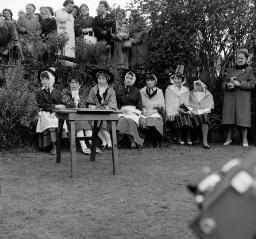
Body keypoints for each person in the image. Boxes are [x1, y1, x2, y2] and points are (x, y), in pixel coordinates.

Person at [222, 48, 256, 147]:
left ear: (246, 59)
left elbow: (252, 84)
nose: (239, 60)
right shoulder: (231, 69)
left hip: (242, 98)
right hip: (230, 97)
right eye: (237, 58)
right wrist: (227, 84)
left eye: (241, 58)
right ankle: (228, 138)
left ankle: (245, 139)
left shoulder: (250, 70)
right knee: (229, 119)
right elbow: (224, 82)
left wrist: (239, 83)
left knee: (244, 119)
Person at [35, 68, 66, 155]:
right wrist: (54, 107)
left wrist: (55, 112)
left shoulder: (57, 92)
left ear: (50, 80)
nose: (44, 81)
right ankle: (53, 146)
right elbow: (42, 105)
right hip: (45, 112)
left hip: (56, 113)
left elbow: (62, 105)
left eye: (46, 79)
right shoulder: (39, 92)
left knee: (58, 121)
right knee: (49, 121)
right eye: (42, 79)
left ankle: (58, 144)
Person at [61, 77, 94, 155]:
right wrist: (74, 97)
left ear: (79, 85)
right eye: (72, 83)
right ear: (69, 84)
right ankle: (84, 146)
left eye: (76, 83)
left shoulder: (82, 94)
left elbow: (83, 106)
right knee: (79, 122)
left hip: (80, 116)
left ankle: (92, 145)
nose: (74, 84)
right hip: (69, 116)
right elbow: (68, 104)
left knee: (85, 123)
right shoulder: (64, 92)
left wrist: (78, 97)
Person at [87, 69, 117, 150]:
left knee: (101, 121)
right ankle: (104, 141)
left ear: (107, 80)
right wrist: (93, 107)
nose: (101, 80)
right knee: (93, 122)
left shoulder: (111, 91)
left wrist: (105, 108)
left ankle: (109, 142)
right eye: (99, 78)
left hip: (107, 113)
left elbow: (112, 104)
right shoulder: (93, 90)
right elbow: (90, 102)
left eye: (103, 79)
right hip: (95, 111)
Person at [165, 65, 193, 145]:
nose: (177, 80)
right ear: (173, 79)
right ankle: (179, 138)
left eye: (179, 78)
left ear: (182, 80)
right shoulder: (169, 89)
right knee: (179, 116)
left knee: (188, 116)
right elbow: (168, 102)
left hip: (184, 108)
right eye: (175, 78)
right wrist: (176, 110)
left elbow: (187, 102)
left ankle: (188, 138)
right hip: (173, 110)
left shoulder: (186, 89)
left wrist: (187, 110)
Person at [116, 70, 144, 149]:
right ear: (124, 79)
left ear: (134, 81)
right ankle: (134, 141)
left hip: (133, 112)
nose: (128, 80)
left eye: (131, 78)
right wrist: (120, 110)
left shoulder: (137, 92)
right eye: (127, 77)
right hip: (122, 112)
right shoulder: (119, 91)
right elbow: (116, 105)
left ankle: (120, 141)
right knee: (123, 119)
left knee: (130, 120)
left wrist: (134, 113)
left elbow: (140, 106)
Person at [189, 72, 214, 149]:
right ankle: (194, 138)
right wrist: (192, 110)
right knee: (192, 118)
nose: (198, 86)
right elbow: (188, 104)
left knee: (204, 118)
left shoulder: (208, 94)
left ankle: (205, 141)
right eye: (197, 84)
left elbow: (209, 106)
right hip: (192, 112)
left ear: (203, 86)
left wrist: (201, 111)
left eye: (200, 85)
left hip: (203, 113)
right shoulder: (191, 94)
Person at [139, 73, 165, 147]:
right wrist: (143, 111)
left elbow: (162, 106)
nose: (149, 82)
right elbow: (139, 104)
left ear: (155, 81)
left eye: (151, 80)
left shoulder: (159, 91)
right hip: (145, 112)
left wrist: (153, 111)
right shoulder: (141, 91)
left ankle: (157, 141)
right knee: (143, 120)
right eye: (148, 80)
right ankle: (148, 141)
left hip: (155, 111)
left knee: (156, 120)